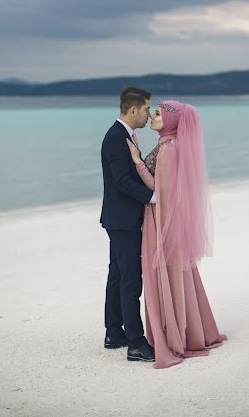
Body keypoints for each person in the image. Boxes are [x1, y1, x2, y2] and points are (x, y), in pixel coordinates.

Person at [126, 100, 228, 369]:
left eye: (157, 114)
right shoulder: (167, 143)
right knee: (177, 275)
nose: (152, 117)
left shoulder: (169, 148)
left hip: (161, 220)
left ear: (171, 120)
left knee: (167, 274)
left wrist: (137, 162)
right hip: (165, 218)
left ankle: (176, 336)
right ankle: (189, 331)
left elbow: (160, 191)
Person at [100, 86, 156, 362]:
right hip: (123, 220)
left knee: (118, 275)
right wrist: (153, 196)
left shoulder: (123, 135)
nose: (148, 114)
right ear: (133, 109)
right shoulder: (115, 137)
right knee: (131, 280)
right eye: (147, 109)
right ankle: (135, 343)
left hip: (119, 217)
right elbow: (122, 182)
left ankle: (114, 332)